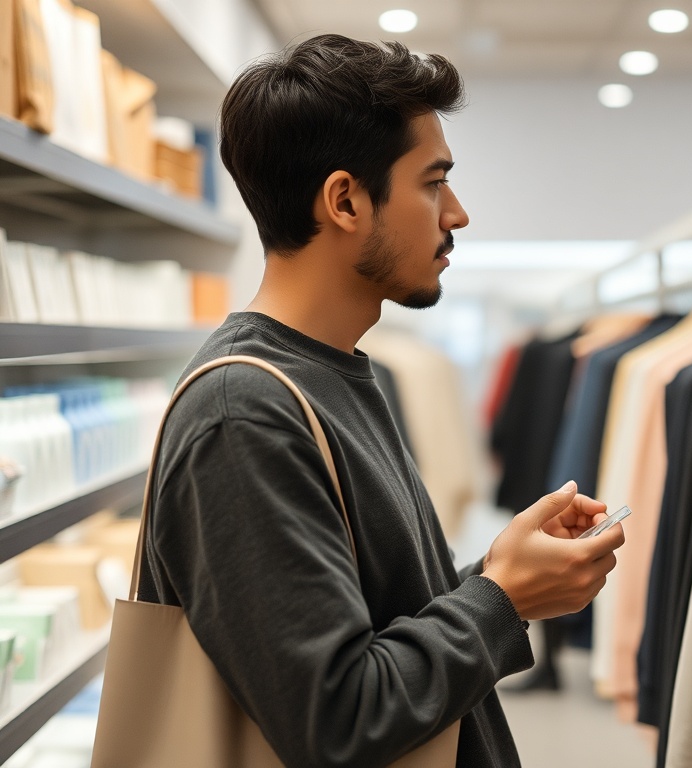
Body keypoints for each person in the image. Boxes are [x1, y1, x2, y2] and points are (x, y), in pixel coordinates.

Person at [136, 34, 625, 768]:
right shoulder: (244, 412)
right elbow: (338, 718)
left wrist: (498, 573)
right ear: (345, 200)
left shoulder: (329, 375)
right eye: (434, 183)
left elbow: (368, 619)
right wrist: (502, 598)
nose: (456, 214)